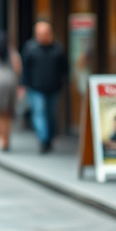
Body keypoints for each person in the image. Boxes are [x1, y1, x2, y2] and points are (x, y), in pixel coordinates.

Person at [21, 21, 68, 154]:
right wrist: (24, 85)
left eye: (45, 33)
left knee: (51, 115)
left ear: (50, 34)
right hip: (35, 88)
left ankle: (50, 138)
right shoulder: (30, 48)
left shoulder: (58, 49)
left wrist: (62, 83)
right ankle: (44, 140)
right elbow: (26, 68)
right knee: (39, 113)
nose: (42, 36)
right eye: (40, 34)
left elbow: (65, 68)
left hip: (53, 88)